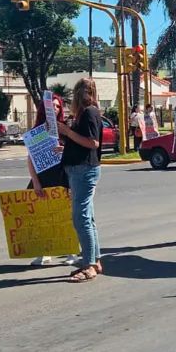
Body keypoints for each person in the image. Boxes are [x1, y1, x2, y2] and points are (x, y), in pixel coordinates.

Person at [57, 78, 103, 283]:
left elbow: (92, 142)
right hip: (80, 168)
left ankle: (89, 264)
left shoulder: (89, 112)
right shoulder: (83, 114)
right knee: (88, 218)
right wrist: (66, 145)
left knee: (81, 217)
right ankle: (95, 260)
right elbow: (82, 141)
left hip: (84, 169)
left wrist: (67, 132)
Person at [26, 93, 78, 267]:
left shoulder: (65, 128)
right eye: (51, 106)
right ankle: (44, 252)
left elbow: (75, 152)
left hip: (62, 176)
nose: (54, 109)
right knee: (42, 216)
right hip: (43, 176)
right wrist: (35, 181)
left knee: (65, 214)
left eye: (57, 106)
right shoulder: (37, 131)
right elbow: (31, 158)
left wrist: (63, 149)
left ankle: (71, 251)